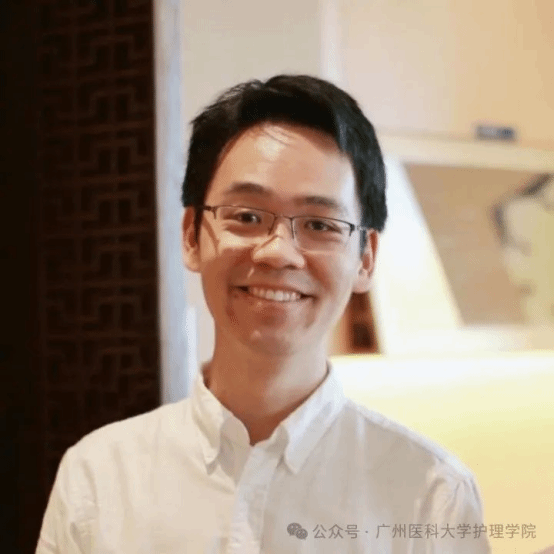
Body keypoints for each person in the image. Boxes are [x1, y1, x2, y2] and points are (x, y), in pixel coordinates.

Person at [36, 75, 490, 553]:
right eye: (247, 217)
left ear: (365, 258)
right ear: (191, 234)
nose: (278, 252)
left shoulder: (431, 496)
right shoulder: (98, 477)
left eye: (320, 224)